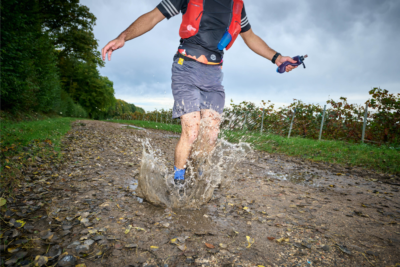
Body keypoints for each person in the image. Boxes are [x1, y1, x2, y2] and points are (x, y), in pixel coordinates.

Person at [101, 0, 297, 184]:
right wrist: (123, 36)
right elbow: (153, 16)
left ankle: (196, 175)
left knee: (211, 135)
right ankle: (178, 181)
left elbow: (250, 36)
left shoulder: (237, 4)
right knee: (192, 130)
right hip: (186, 68)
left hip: (213, 75)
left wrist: (277, 58)